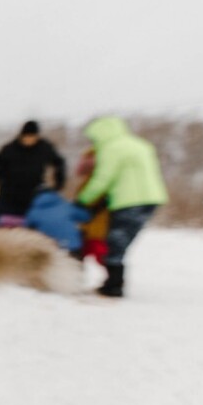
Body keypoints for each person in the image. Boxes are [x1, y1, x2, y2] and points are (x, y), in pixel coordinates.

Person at [75, 116, 168, 297]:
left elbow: (103, 178)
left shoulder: (111, 148)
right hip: (151, 199)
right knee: (118, 242)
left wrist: (84, 200)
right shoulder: (140, 144)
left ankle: (113, 286)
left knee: (114, 242)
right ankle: (113, 283)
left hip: (128, 201)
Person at [0, 120, 68, 228]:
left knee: (30, 226)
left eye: (32, 137)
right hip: (9, 194)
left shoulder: (44, 148)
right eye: (26, 137)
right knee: (4, 224)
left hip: (33, 194)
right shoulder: (10, 148)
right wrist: (2, 178)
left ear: (37, 136)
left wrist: (59, 183)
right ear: (22, 135)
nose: (29, 140)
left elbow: (59, 163)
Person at [25, 172, 90, 256]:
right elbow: (86, 217)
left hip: (51, 248)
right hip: (73, 246)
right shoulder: (65, 206)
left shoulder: (33, 212)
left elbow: (27, 229)